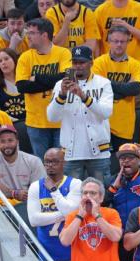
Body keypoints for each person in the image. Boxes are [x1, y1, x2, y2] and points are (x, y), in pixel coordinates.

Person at [47, 45, 113, 183]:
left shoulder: (103, 83)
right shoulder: (60, 85)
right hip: (71, 153)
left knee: (102, 194)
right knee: (72, 195)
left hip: (98, 153)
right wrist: (62, 96)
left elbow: (106, 112)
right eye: (75, 63)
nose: (78, 66)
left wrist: (84, 96)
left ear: (91, 62)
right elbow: (52, 117)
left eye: (82, 62)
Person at [16, 17, 72, 160]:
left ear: (44, 35)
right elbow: (22, 86)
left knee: (62, 163)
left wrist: (37, 78)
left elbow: (67, 79)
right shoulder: (25, 57)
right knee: (42, 165)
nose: (28, 36)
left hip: (62, 120)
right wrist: (54, 81)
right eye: (28, 33)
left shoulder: (63, 53)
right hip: (36, 121)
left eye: (32, 33)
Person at [27, 147, 81, 261]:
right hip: (47, 252)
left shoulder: (75, 184)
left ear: (64, 162)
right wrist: (64, 215)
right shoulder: (35, 186)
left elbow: (70, 211)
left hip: (73, 252)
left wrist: (53, 190)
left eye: (55, 161)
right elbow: (34, 220)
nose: (50, 165)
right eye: (47, 162)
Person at [92, 26, 140, 151]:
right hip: (102, 123)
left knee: (124, 165)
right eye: (115, 41)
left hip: (124, 124)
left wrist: (108, 85)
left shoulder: (135, 64)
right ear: (109, 42)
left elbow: (136, 89)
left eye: (122, 41)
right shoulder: (99, 62)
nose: (119, 44)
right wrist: (125, 89)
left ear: (128, 42)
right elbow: (98, 89)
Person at [0, 124, 45, 221]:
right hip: (1, 209)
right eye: (2, 141)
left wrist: (4, 190)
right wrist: (15, 193)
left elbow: (39, 191)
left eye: (10, 140)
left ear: (17, 141)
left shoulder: (33, 161)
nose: (7, 145)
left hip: (28, 206)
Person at [94, 0, 140, 72]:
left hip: (134, 67)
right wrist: (97, 64)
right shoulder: (100, 11)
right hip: (108, 67)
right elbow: (96, 41)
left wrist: (127, 27)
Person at [0, 8, 29, 75]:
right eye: (12, 23)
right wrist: (12, 47)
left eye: (19, 23)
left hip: (23, 74)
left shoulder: (28, 37)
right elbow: (0, 68)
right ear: (7, 24)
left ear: (24, 24)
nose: (16, 27)